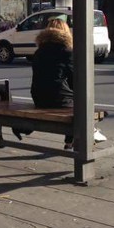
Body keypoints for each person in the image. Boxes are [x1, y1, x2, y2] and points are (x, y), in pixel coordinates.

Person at [20, 16, 106, 150]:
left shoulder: (38, 52)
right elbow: (75, 81)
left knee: (68, 98)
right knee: (77, 101)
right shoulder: (67, 52)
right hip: (59, 101)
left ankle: (71, 140)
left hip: (39, 99)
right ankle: (83, 136)